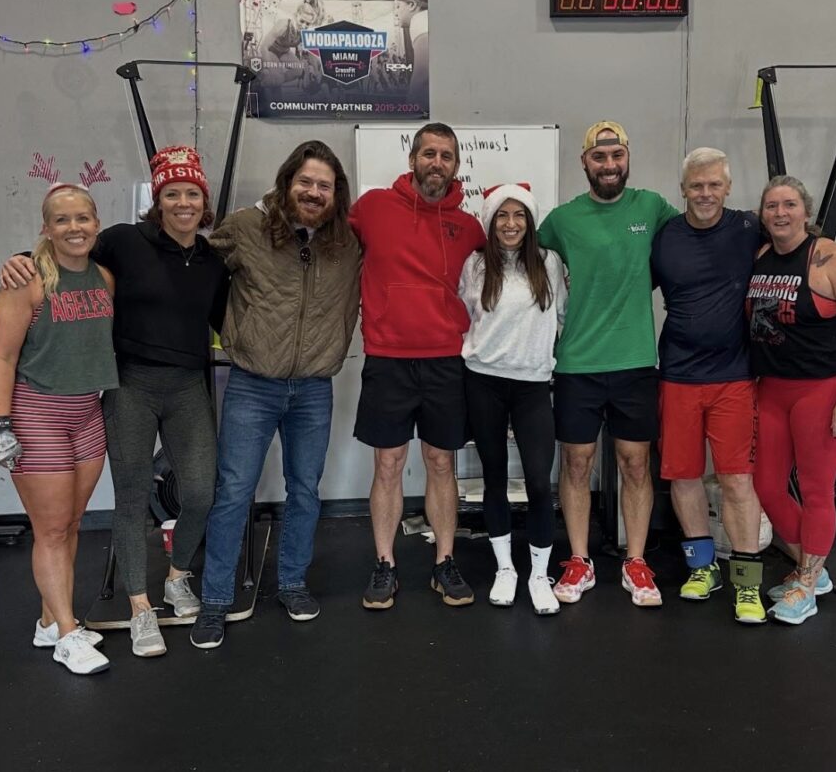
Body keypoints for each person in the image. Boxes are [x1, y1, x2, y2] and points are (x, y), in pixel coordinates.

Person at [0, 147, 230, 658]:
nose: (183, 202)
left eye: (193, 193)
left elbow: (222, 320)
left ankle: (176, 578)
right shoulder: (125, 241)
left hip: (188, 386)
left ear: (204, 200)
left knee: (200, 493)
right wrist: (19, 258)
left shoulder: (212, 261)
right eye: (173, 193)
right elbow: (66, 248)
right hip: (130, 386)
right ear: (159, 198)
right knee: (130, 500)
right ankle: (140, 608)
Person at [189, 140, 361, 649]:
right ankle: (216, 599)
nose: (313, 192)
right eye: (304, 182)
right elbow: (187, 263)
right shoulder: (246, 229)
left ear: (336, 194)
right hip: (252, 385)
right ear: (288, 182)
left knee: (305, 490)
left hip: (313, 387)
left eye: (323, 186)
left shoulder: (348, 242)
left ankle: (291, 582)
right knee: (234, 493)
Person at [538, 120, 679, 608]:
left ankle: (636, 562)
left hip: (636, 360)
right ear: (584, 162)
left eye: (616, 155)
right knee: (576, 464)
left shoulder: (653, 207)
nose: (609, 165)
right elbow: (521, 263)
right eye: (599, 157)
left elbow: (699, 237)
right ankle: (579, 559)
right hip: (576, 361)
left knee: (636, 463)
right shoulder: (561, 220)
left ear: (627, 157)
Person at [351, 122, 486, 610]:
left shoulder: (470, 227)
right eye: (429, 153)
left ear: (455, 165)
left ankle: (444, 562)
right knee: (388, 463)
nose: (437, 162)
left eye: (446, 156)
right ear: (413, 159)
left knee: (441, 462)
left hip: (446, 361)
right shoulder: (371, 209)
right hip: (388, 359)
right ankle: (384, 563)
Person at [0, 183, 117, 675]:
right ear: (45, 228)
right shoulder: (27, 281)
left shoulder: (105, 278)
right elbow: (1, 357)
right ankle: (67, 634)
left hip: (87, 411)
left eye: (82, 218)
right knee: (51, 528)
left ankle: (50, 622)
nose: (74, 227)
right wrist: (1, 425)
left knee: (71, 524)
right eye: (61, 220)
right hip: (36, 414)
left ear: (96, 223)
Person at [747, 175, 836, 625]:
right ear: (762, 214)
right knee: (766, 486)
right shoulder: (761, 257)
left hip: (820, 391)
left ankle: (808, 582)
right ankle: (811, 569)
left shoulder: (832, 259)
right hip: (772, 389)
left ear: (806, 212)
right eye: (771, 206)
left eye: (788, 205)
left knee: (817, 489)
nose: (779, 213)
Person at [650, 147, 767, 624]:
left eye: (713, 184)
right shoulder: (665, 239)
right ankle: (702, 568)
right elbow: (630, 288)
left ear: (728, 187)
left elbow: (798, 247)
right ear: (682, 190)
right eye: (696, 185)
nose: (704, 193)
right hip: (677, 374)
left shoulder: (749, 227)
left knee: (738, 479)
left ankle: (747, 584)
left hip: (734, 377)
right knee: (684, 475)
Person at [459, 183, 567, 614]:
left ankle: (540, 575)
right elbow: (467, 316)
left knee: (540, 482)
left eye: (519, 215)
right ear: (489, 221)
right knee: (495, 478)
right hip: (483, 381)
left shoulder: (549, 263)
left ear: (531, 221)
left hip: (533, 385)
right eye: (501, 216)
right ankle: (507, 569)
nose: (510, 224)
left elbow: (560, 316)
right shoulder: (477, 265)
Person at [393, 0, 428, 108]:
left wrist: (410, 107)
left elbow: (423, 75)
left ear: (412, 5)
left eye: (398, 7)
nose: (396, 12)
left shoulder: (419, 19)